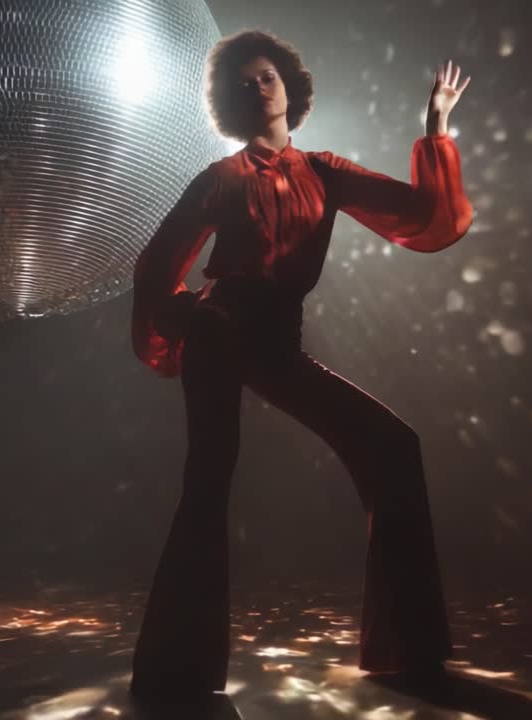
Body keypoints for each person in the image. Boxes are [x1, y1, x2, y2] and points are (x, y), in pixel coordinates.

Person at [128, 29, 473, 703]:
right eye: (242, 82)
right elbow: (154, 268)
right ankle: (177, 672)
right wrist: (188, 318)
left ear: (288, 87)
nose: (255, 87)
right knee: (209, 480)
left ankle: (408, 651)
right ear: (230, 104)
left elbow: (427, 213)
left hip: (281, 340)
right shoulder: (221, 178)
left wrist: (436, 126)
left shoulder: (326, 170)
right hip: (220, 332)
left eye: (265, 77)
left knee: (393, 448)